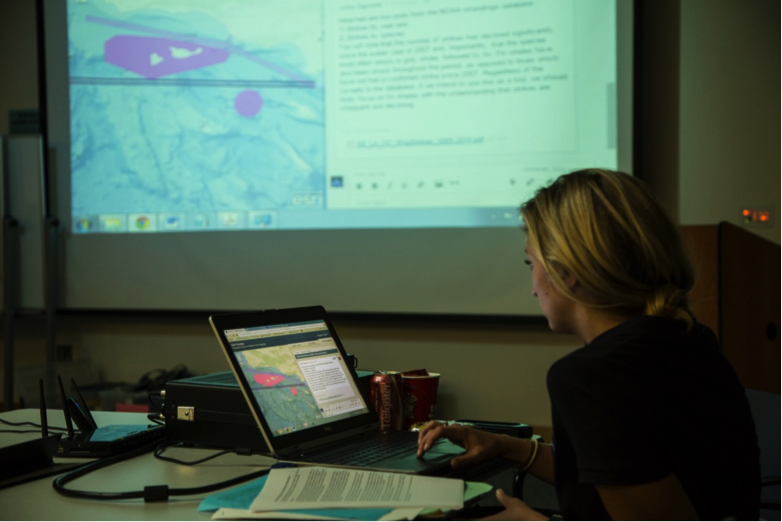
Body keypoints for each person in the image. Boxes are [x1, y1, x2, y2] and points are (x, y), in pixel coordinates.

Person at [417, 169, 760, 521]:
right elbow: (624, 472)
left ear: (567, 272)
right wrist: (508, 447)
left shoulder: (592, 377)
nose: (533, 287)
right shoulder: (688, 339)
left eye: (530, 263)